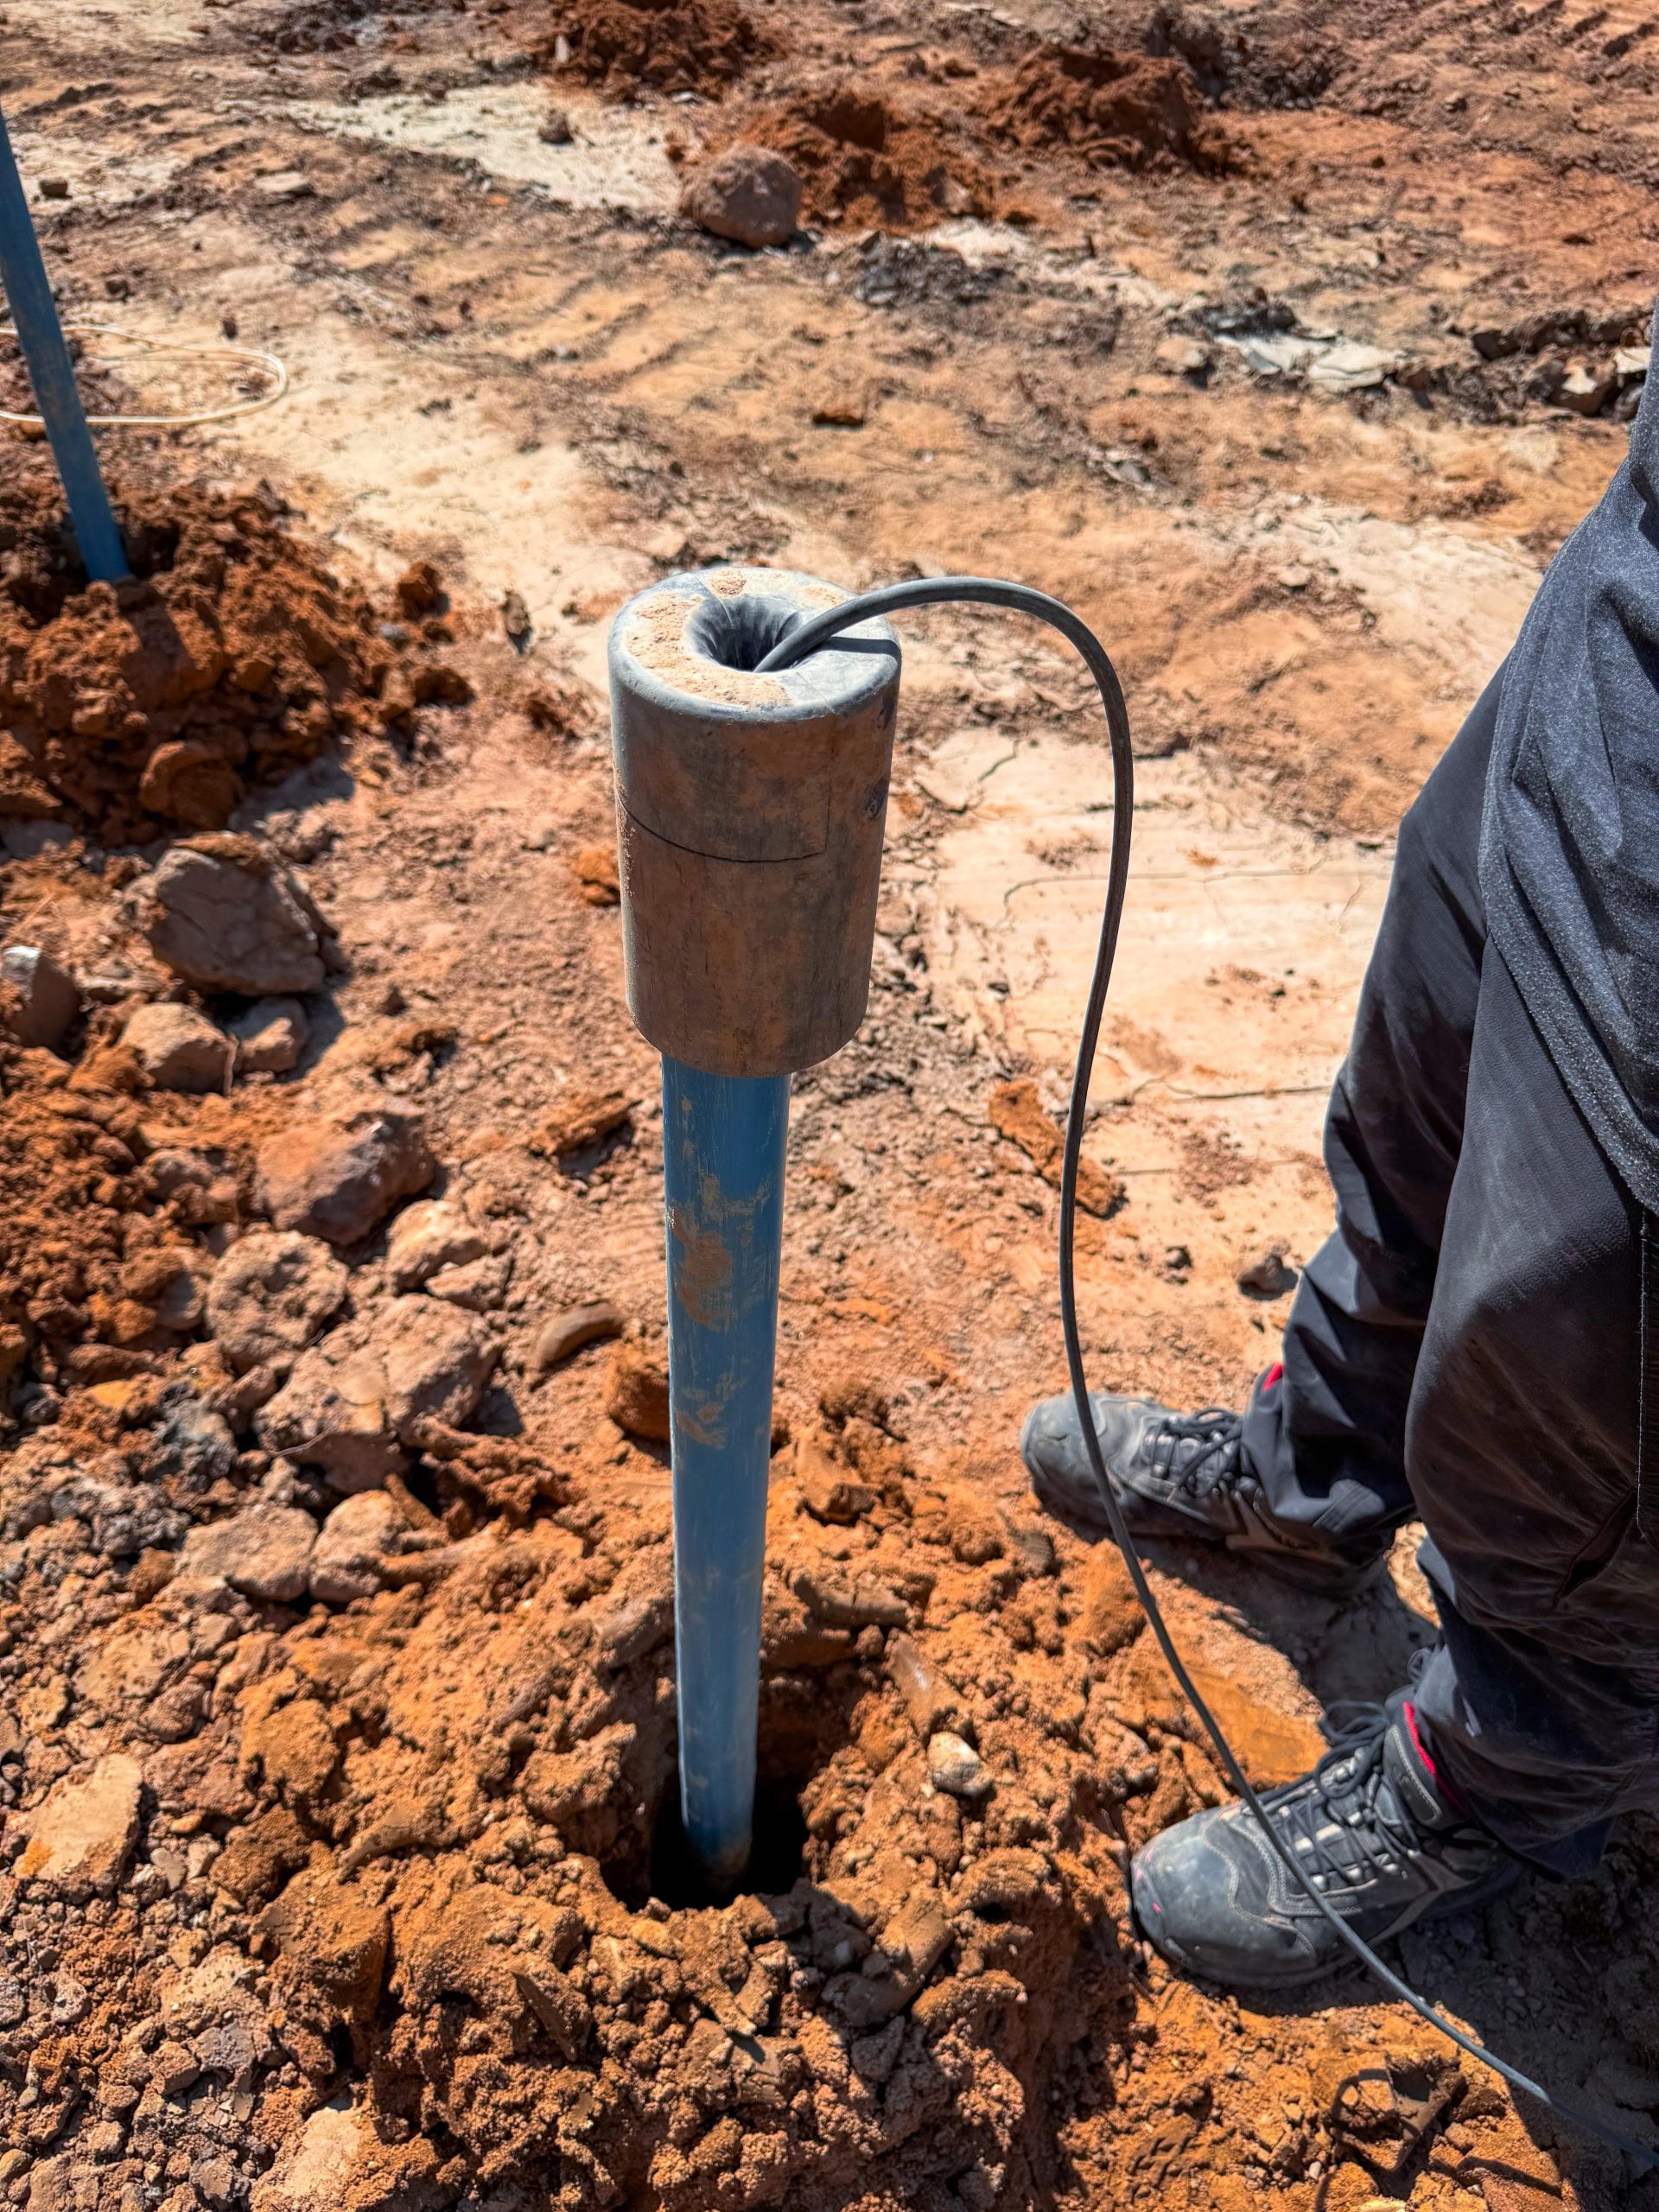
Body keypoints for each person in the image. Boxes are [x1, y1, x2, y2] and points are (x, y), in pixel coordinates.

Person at [1020, 313, 1659, 1991]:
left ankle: (1504, 1774)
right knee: (1421, 1107)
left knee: (1592, 1353)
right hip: (1631, 624)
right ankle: (1313, 1475)